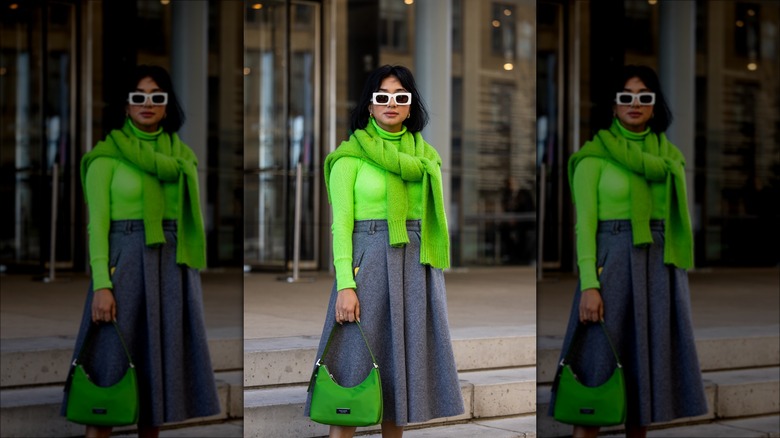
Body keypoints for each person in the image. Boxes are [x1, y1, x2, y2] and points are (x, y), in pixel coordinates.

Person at [305, 64, 465, 437]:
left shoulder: (426, 158)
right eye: (382, 97)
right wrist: (345, 284)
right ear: (369, 105)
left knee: (399, 388)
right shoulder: (348, 158)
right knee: (349, 379)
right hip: (368, 266)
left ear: (411, 106)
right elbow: (340, 226)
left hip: (416, 270)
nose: (391, 103)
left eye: (400, 97)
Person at [61, 65, 220, 438]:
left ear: (167, 105)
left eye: (156, 97)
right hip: (125, 265)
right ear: (126, 105)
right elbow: (96, 227)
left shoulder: (181, 158)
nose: (147, 104)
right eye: (138, 97)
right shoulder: (105, 158)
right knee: (106, 373)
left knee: (157, 385)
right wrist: (102, 284)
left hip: (171, 269)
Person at [550, 65, 708, 437]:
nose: (634, 104)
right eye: (626, 97)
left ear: (655, 104)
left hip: (659, 270)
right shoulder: (593, 157)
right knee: (593, 376)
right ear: (613, 104)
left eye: (644, 97)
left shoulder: (669, 158)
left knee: (643, 390)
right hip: (612, 266)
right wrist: (589, 284)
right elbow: (584, 227)